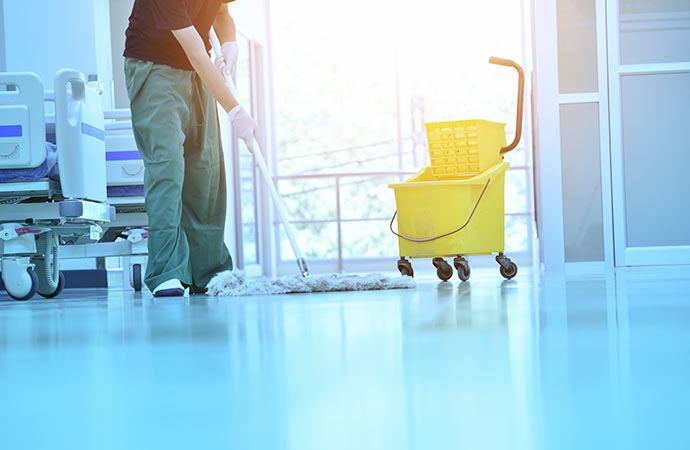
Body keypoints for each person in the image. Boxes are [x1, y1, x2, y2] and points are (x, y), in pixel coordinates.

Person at [123, 0, 255, 297]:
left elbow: (221, 12)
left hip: (194, 70)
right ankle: (165, 271)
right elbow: (196, 53)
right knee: (167, 168)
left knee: (205, 170)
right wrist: (235, 111)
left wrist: (230, 43)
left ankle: (209, 272)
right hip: (153, 66)